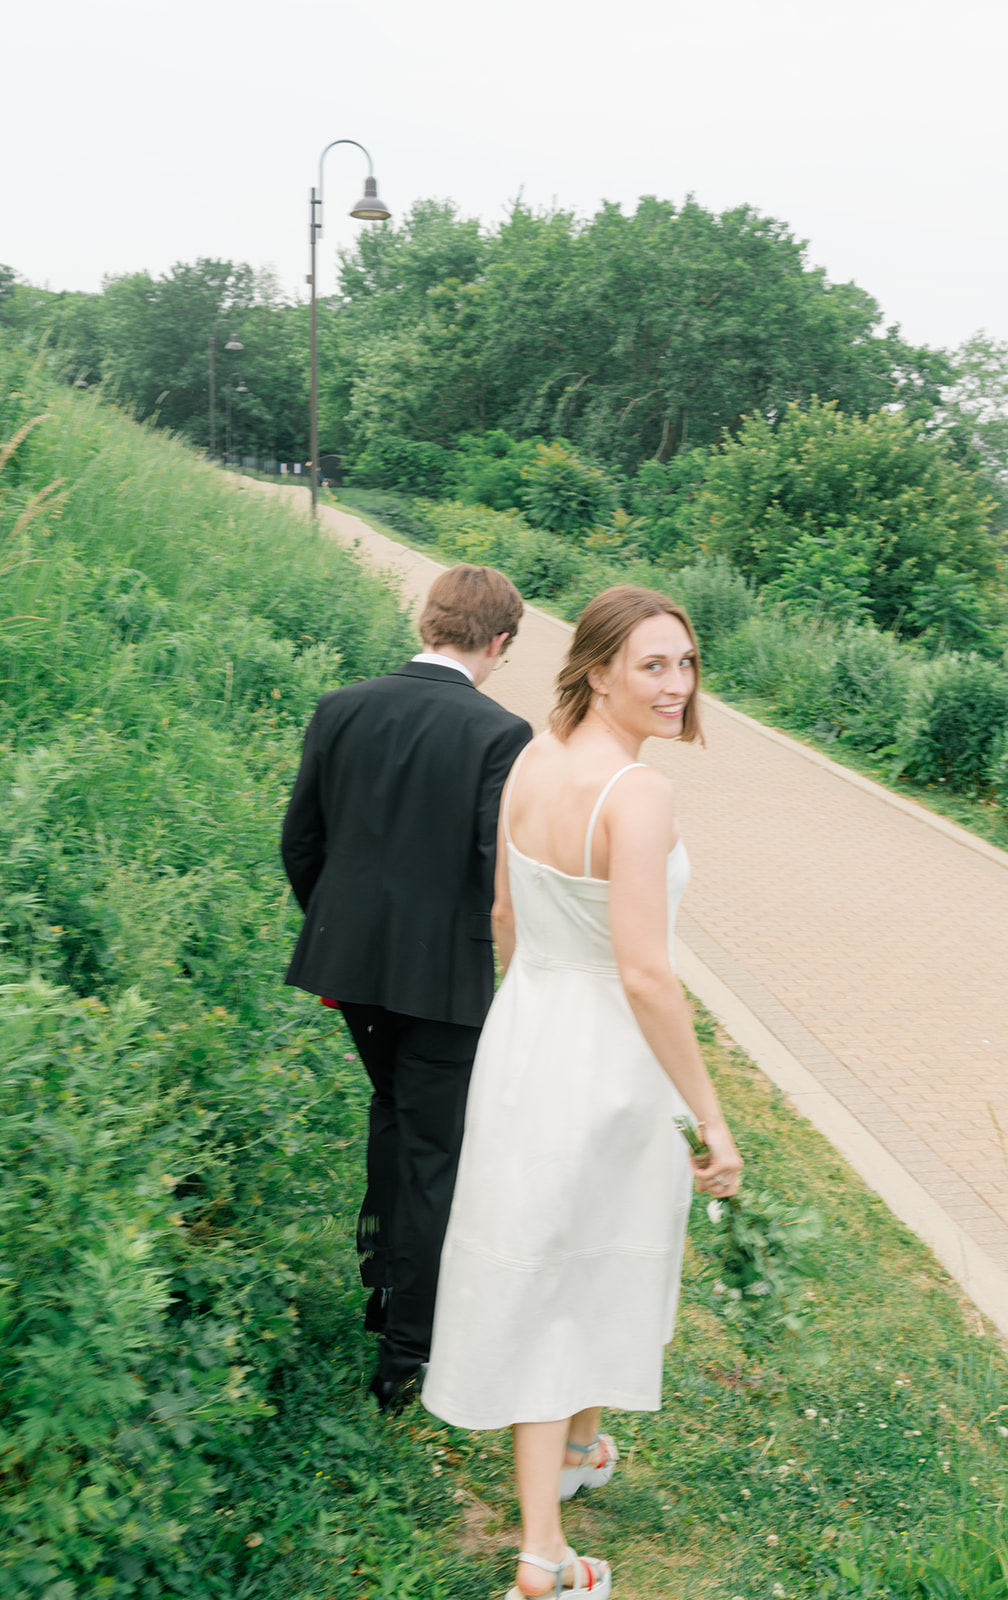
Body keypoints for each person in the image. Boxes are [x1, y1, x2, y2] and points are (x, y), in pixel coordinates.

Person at [422, 585, 743, 1599]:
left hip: (528, 1032)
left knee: (545, 1261)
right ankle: (541, 1555)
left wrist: (530, 1010)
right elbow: (645, 973)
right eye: (651, 664)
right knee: (578, 1274)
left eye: (683, 663)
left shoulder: (529, 756)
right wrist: (710, 1113)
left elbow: (506, 911)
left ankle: (573, 1455)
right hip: (603, 1048)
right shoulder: (636, 795)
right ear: (596, 668)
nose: (674, 684)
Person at [281, 565, 533, 1410]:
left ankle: (383, 1280)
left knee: (392, 1108)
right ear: (498, 642)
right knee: (433, 1151)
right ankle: (404, 1350)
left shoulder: (340, 707)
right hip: (442, 979)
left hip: (351, 968)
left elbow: (301, 842)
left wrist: (342, 932)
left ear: (428, 621)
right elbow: (491, 870)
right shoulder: (501, 734)